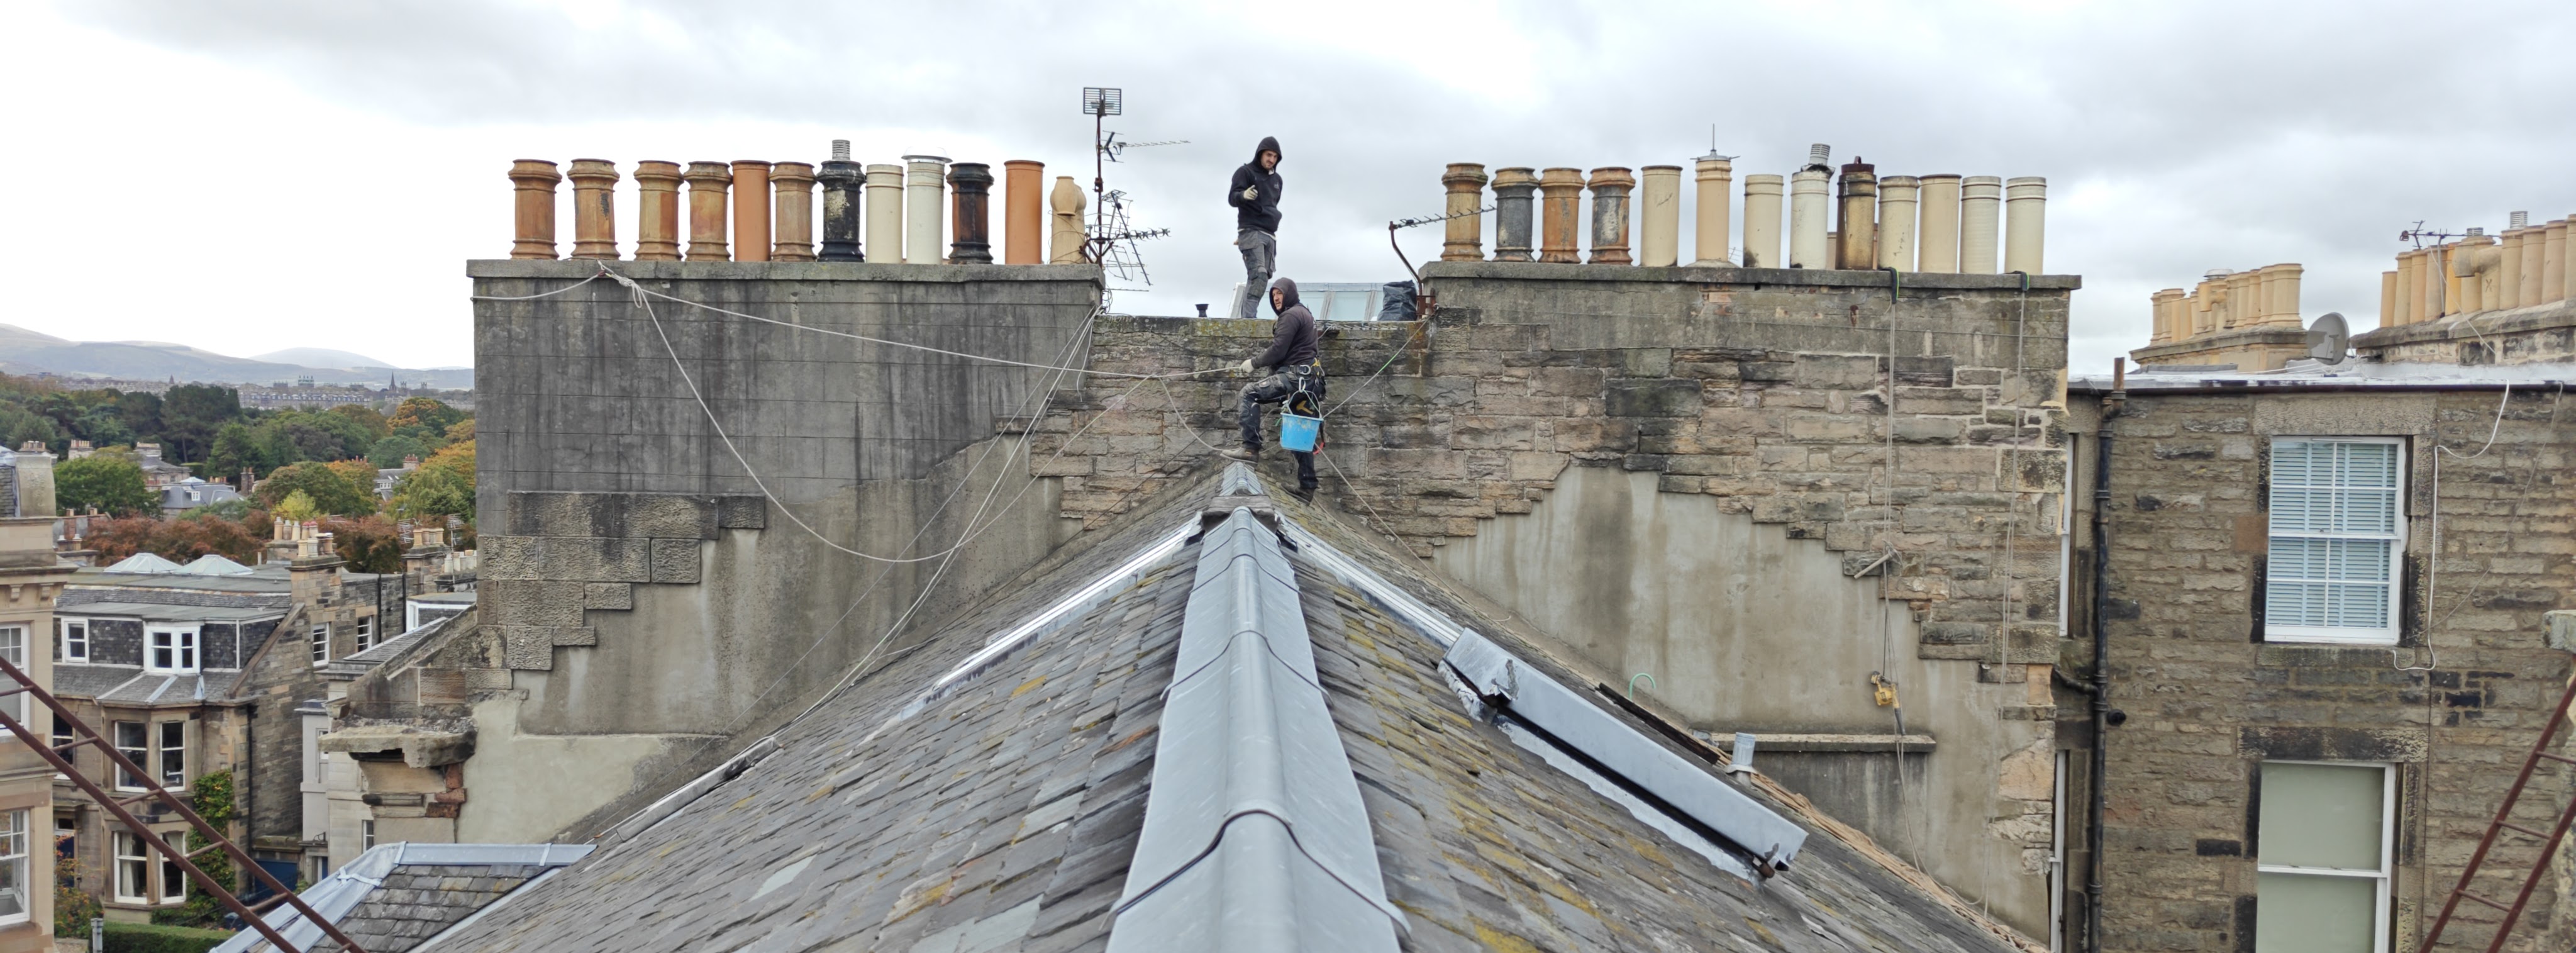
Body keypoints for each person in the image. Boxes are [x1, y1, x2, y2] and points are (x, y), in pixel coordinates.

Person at [1220, 277, 1324, 498]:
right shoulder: (1304, 313)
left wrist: (1253, 363)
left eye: (1280, 293)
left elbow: (1278, 351)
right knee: (1298, 430)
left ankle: (1250, 449)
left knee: (1249, 394)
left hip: (1297, 379)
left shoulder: (1290, 315)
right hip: (1309, 381)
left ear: (1290, 294)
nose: (1276, 298)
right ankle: (1307, 488)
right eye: (1274, 294)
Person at [1228, 137, 1284, 320]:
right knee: (1258, 274)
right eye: (1269, 155)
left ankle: (1249, 316)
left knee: (1264, 277)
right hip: (1251, 231)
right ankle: (1248, 319)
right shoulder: (1245, 172)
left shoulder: (1277, 180)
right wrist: (1243, 195)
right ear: (1260, 154)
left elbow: (1272, 204)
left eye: (1275, 157)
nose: (1272, 160)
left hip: (1270, 234)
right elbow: (1232, 198)